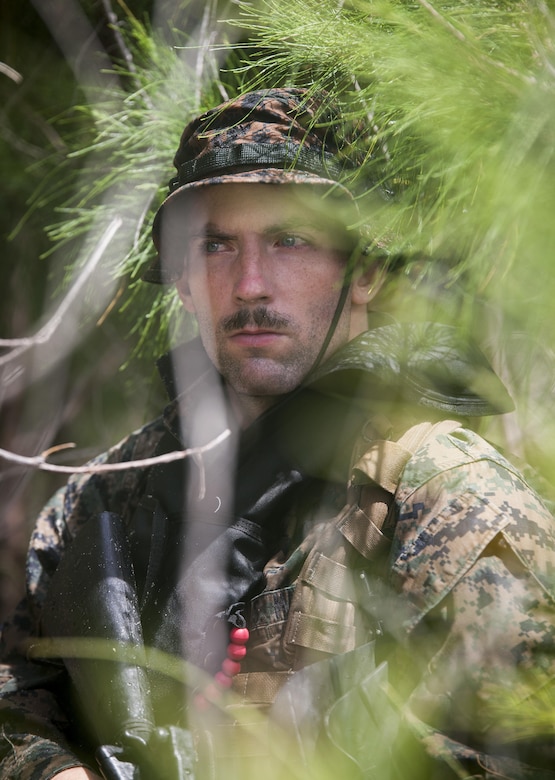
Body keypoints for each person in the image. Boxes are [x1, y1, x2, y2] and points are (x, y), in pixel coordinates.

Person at [1, 87, 554, 780]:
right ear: (178, 279)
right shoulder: (106, 497)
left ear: (366, 272)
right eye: (215, 246)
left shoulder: (451, 498)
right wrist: (54, 771)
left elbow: (514, 753)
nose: (250, 285)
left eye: (290, 240)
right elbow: (19, 694)